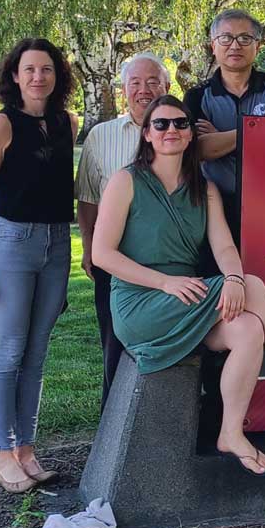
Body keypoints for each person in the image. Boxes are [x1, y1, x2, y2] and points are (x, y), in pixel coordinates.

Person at [93, 96, 265, 476]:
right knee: (252, 286)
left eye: (180, 124)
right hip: (142, 302)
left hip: (187, 298)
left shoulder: (202, 189)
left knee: (249, 328)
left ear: (191, 134)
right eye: (161, 125)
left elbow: (224, 245)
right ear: (147, 134)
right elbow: (102, 254)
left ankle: (230, 432)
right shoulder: (126, 181)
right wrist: (165, 282)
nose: (171, 130)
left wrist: (234, 278)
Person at [0, 37, 79, 494]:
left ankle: (27, 453)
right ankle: (3, 457)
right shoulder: (0, 126)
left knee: (35, 356)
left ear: (57, 76)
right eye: (29, 69)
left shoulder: (68, 122)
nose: (37, 77)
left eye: (46, 69)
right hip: (12, 243)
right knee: (8, 351)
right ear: (14, 75)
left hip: (56, 244)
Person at [77, 52, 169, 410]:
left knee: (167, 341)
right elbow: (87, 200)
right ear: (123, 90)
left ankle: (160, 420)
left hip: (170, 259)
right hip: (114, 259)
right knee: (114, 341)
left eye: (152, 82)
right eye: (135, 83)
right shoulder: (101, 136)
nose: (144, 90)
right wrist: (88, 248)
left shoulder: (180, 129)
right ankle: (111, 427)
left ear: (166, 86)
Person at [183, 9, 265, 249]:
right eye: (226, 38)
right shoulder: (197, 96)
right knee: (219, 281)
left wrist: (222, 139)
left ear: (258, 45)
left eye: (245, 38)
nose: (235, 45)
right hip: (213, 207)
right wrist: (258, 131)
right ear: (213, 45)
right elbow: (199, 149)